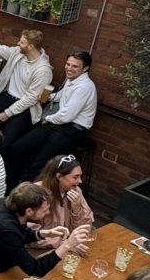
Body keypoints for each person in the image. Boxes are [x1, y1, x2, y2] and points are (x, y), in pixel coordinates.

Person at [0, 182, 91, 280]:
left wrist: (45, 233)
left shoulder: (7, 204)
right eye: (44, 211)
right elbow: (35, 270)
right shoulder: (5, 228)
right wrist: (66, 245)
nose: (48, 213)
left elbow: (18, 235)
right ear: (29, 211)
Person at [5, 50, 98, 184]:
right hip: (58, 124)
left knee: (38, 165)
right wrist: (49, 97)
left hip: (73, 130)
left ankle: (24, 192)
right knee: (17, 148)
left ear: (85, 68)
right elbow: (62, 95)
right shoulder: (72, 79)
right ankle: (9, 185)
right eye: (68, 64)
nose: (69, 68)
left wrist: (46, 119)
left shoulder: (84, 87)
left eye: (75, 66)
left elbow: (66, 116)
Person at [0, 29, 53, 148]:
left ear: (31, 47)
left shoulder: (43, 70)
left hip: (25, 108)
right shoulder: (18, 53)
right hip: (5, 97)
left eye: (22, 42)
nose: (18, 43)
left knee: (6, 144)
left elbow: (31, 98)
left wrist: (7, 113)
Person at [27, 153, 95, 256]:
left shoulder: (75, 191)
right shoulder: (36, 194)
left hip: (68, 248)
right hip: (39, 253)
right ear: (59, 176)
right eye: (76, 177)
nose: (80, 181)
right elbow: (30, 235)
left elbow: (86, 228)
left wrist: (77, 209)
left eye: (80, 176)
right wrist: (66, 244)